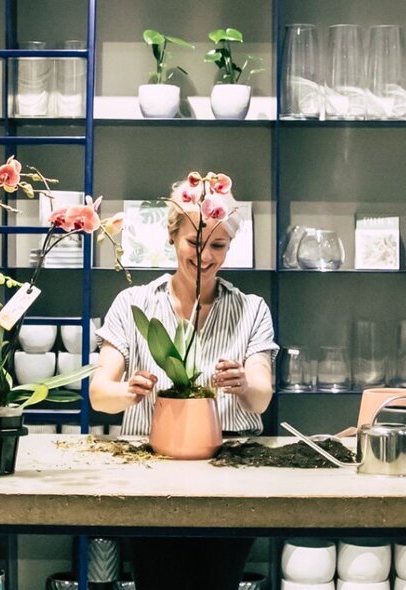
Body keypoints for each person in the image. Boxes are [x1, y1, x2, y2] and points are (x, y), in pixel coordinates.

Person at [90, 178, 279, 590]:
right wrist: (129, 390)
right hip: (152, 472)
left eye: (218, 246)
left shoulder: (251, 310)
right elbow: (99, 393)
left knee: (219, 581)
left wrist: (245, 382)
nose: (205, 256)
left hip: (232, 470)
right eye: (194, 242)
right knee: (158, 580)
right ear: (173, 235)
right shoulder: (134, 303)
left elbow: (262, 397)